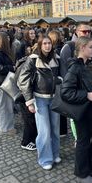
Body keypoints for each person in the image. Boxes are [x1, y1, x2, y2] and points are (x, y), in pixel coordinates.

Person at [61, 36, 92, 183]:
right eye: (91, 47)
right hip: (82, 111)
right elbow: (66, 92)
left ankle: (91, 167)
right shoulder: (75, 68)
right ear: (82, 48)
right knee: (83, 142)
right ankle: (81, 173)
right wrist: (86, 95)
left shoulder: (89, 64)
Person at [18, 35, 61, 170]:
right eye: (45, 43)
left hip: (54, 97)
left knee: (55, 128)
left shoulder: (56, 58)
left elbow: (60, 75)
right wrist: (29, 102)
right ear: (40, 45)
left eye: (49, 43)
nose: (48, 46)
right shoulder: (32, 59)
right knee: (44, 130)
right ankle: (45, 159)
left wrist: (60, 80)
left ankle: (55, 154)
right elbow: (23, 80)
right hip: (40, 98)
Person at [59, 23, 92, 140]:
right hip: (77, 91)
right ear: (76, 32)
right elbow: (65, 70)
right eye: (84, 31)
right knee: (77, 117)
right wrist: (75, 89)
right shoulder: (68, 47)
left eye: (89, 31)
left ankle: (91, 136)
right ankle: (78, 139)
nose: (88, 33)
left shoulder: (90, 45)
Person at [0, 32, 15, 133]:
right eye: (7, 38)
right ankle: (6, 128)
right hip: (2, 82)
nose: (9, 39)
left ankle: (8, 125)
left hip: (5, 81)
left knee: (7, 104)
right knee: (5, 105)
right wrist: (11, 67)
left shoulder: (1, 52)